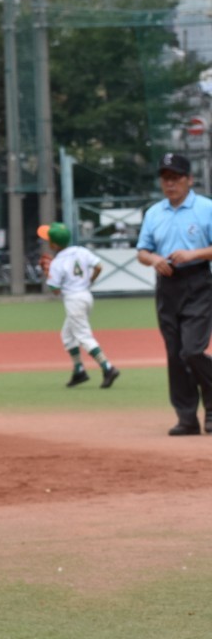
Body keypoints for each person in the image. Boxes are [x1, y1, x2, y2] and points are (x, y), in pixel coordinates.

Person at [135, 152, 212, 435]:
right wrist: (154, 259)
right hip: (167, 285)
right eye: (165, 178)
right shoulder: (154, 213)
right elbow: (142, 251)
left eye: (176, 178)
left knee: (191, 350)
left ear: (189, 179)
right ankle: (187, 417)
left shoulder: (206, 208)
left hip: (199, 282)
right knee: (175, 354)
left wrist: (194, 254)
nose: (170, 184)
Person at [37, 222, 121, 390]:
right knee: (67, 335)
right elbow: (99, 266)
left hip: (73, 301)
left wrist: (48, 273)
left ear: (54, 244)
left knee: (83, 336)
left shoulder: (58, 262)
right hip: (86, 296)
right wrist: (90, 280)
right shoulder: (80, 251)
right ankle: (79, 370)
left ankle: (108, 367)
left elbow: (55, 290)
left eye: (49, 240)